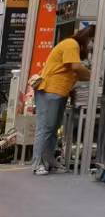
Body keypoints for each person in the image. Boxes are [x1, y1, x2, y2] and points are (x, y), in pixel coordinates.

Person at [31, 24, 92, 174]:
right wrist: (94, 75)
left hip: (59, 92)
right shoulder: (71, 44)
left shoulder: (73, 47)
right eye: (92, 41)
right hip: (49, 90)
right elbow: (76, 67)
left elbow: (74, 72)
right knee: (45, 128)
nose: (91, 46)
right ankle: (38, 163)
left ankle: (49, 161)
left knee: (52, 129)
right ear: (87, 38)